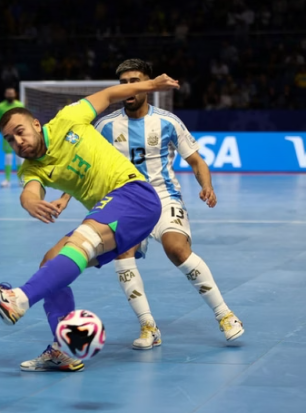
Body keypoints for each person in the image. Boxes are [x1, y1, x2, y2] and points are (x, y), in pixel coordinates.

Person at [20, 59, 245, 372]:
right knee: (122, 250)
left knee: (177, 249)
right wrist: (64, 198)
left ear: (146, 83)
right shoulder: (106, 125)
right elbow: (84, 164)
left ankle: (224, 314)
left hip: (163, 197)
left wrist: (206, 186)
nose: (127, 88)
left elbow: (196, 161)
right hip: (119, 201)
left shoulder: (168, 121)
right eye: (122, 82)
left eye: (134, 81)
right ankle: (148, 327)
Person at [0, 74, 180, 365]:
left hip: (136, 195)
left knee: (83, 239)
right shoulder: (31, 168)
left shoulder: (69, 117)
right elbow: (30, 192)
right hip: (110, 214)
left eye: (20, 132)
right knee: (51, 260)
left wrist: (150, 86)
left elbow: (109, 95)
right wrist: (31, 202)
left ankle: (19, 299)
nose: (17, 142)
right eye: (10, 139)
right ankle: (61, 350)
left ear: (36, 124)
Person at [0, 87, 25, 187]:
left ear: (15, 94)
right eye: (8, 93)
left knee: (19, 157)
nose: (10, 95)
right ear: (5, 95)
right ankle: (7, 180)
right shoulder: (1, 106)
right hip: (7, 135)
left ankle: (21, 180)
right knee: (8, 157)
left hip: (18, 135)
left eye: (11, 93)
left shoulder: (19, 105)